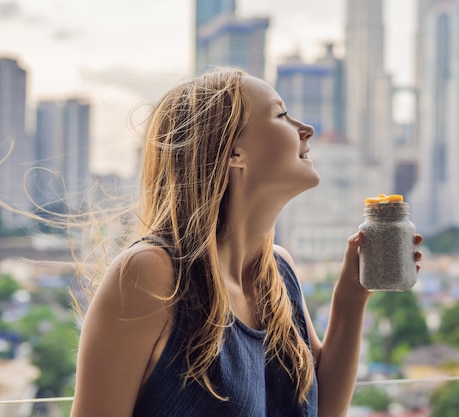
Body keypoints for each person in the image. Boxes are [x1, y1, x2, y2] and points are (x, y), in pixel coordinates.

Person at [69, 68, 423, 417]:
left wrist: (352, 297)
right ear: (233, 152)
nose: (307, 129)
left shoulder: (278, 272)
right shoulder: (149, 275)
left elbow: (324, 409)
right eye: (281, 115)